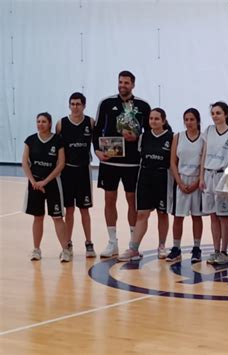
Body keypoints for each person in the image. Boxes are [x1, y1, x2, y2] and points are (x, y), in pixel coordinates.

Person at [93, 71, 151, 258]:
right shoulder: (107, 103)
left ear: (133, 84)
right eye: (120, 82)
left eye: (126, 82)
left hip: (133, 163)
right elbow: (97, 130)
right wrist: (97, 150)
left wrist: (137, 138)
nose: (122, 85)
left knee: (131, 200)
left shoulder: (143, 106)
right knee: (109, 199)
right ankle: (112, 242)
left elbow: (150, 134)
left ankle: (133, 244)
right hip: (110, 160)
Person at [117, 108, 173, 261]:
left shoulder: (171, 137)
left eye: (156, 119)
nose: (153, 121)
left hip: (163, 178)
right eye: (151, 119)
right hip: (145, 178)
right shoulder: (144, 137)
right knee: (142, 214)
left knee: (162, 213)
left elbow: (174, 161)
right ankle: (133, 249)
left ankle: (162, 246)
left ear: (163, 120)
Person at [22, 112, 71, 262]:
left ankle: (65, 250)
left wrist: (46, 181)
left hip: (52, 184)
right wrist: (33, 181)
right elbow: (25, 163)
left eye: (44, 121)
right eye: (38, 121)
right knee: (38, 217)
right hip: (35, 185)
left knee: (57, 217)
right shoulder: (30, 140)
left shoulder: (58, 140)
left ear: (50, 124)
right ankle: (36, 250)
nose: (40, 124)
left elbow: (61, 164)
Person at [199, 102, 228, 265]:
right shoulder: (208, 131)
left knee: (223, 216)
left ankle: (224, 251)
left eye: (218, 113)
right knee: (212, 216)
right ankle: (215, 250)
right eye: (213, 113)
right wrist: (202, 176)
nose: (215, 116)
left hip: (223, 176)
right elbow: (203, 154)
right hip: (209, 175)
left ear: (226, 115)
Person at [56, 92, 96, 258]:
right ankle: (68, 244)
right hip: (67, 171)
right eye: (72, 104)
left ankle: (88, 243)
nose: (75, 107)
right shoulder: (61, 124)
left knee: (84, 210)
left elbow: (99, 142)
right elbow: (56, 148)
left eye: (78, 104)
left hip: (83, 170)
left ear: (84, 105)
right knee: (69, 210)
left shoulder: (90, 122)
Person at [167, 108, 205, 263]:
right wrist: (179, 182)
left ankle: (197, 248)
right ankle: (176, 248)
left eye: (192, 119)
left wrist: (197, 182)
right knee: (178, 217)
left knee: (197, 216)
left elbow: (204, 163)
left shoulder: (204, 139)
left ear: (197, 121)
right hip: (181, 181)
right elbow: (172, 162)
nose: (189, 122)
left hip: (197, 181)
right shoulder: (178, 137)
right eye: (186, 119)